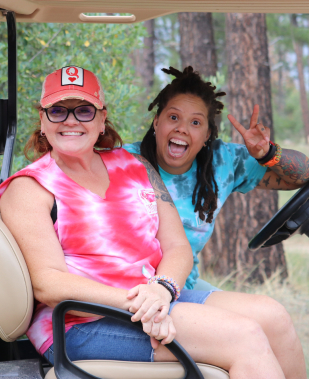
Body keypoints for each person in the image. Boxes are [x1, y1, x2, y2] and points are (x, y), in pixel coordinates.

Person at [0, 66, 306, 379]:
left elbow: (177, 245)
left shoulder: (135, 166)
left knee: (274, 317)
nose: (71, 120)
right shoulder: (29, 188)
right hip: (81, 323)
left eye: (84, 110)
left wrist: (161, 290)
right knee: (244, 337)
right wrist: (143, 304)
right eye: (57, 111)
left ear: (102, 119)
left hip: (149, 300)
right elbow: (49, 284)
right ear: (42, 120)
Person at [123, 66, 309, 291]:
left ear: (207, 135)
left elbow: (301, 176)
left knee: (264, 318)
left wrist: (268, 153)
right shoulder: (123, 162)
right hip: (130, 287)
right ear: (156, 122)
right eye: (173, 117)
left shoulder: (223, 161)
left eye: (195, 122)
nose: (182, 128)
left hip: (183, 286)